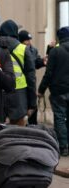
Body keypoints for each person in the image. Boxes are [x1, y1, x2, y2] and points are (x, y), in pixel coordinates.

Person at [0, 20, 37, 126]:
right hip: (19, 96)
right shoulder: (23, 49)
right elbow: (31, 78)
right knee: (18, 131)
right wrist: (33, 103)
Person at [38, 26, 69, 156]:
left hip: (58, 91)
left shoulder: (56, 52)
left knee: (60, 118)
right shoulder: (55, 51)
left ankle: (63, 147)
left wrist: (41, 90)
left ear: (58, 38)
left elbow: (49, 73)